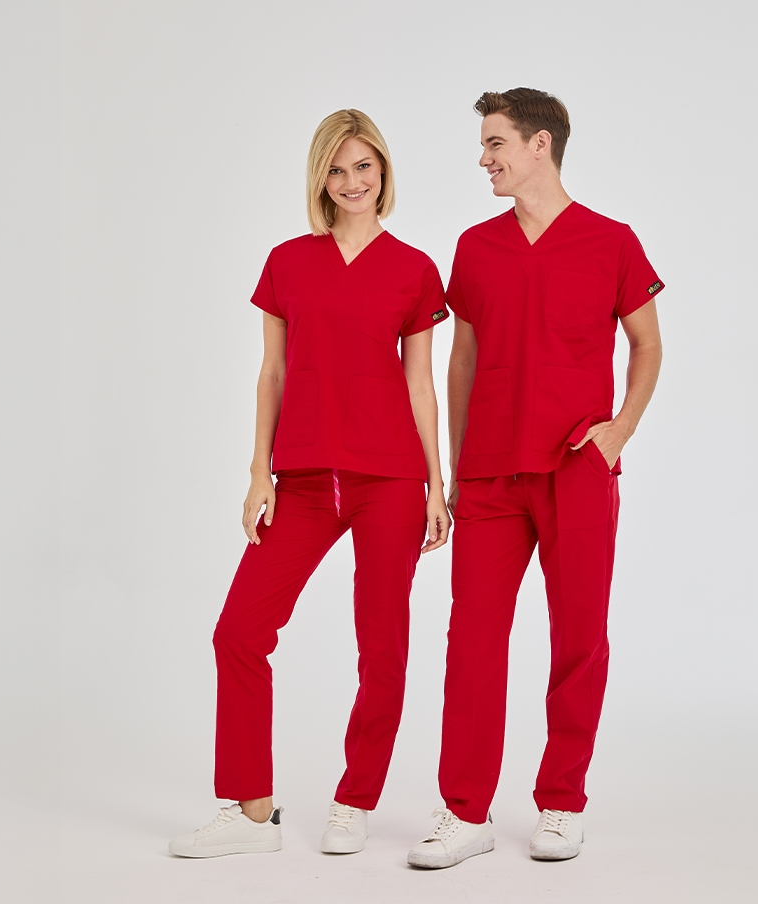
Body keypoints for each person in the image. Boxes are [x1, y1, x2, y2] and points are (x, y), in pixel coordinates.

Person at [169, 109, 451, 859]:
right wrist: (257, 471)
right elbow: (273, 372)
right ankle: (251, 811)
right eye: (337, 168)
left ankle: (355, 800)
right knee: (239, 633)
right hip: (301, 480)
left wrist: (436, 484)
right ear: (319, 178)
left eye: (364, 166)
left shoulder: (414, 268)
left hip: (391, 478)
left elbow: (420, 384)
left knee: (382, 647)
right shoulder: (288, 261)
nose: (352, 181)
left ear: (383, 172)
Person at [407, 88, 665, 869]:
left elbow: (648, 344)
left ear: (539, 144)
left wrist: (618, 431)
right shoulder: (475, 248)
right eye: (485, 145)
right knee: (472, 641)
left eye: (495, 144)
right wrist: (452, 470)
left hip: (576, 468)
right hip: (490, 475)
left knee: (579, 637)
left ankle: (562, 801)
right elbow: (462, 360)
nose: (483, 159)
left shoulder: (611, 242)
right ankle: (466, 812)